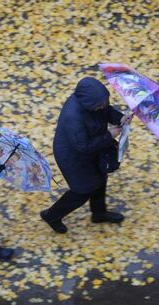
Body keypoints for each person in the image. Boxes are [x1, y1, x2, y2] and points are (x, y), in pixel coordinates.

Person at [40, 77, 132, 233]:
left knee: (101, 178)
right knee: (82, 190)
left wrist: (121, 118)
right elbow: (83, 147)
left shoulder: (94, 103)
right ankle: (52, 215)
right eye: (101, 103)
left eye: (105, 101)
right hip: (72, 156)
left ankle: (99, 213)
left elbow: (106, 111)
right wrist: (109, 136)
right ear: (90, 103)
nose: (105, 105)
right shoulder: (73, 117)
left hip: (93, 147)